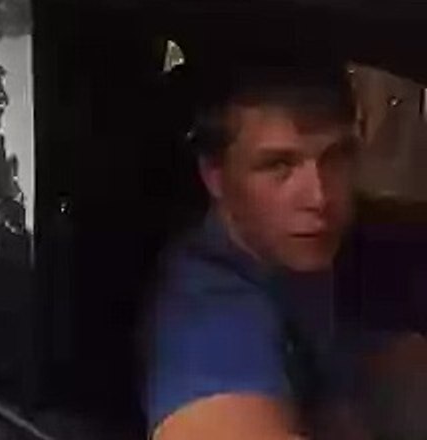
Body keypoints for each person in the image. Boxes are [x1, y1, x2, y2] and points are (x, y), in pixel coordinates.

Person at [145, 63, 427, 440]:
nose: (319, 197)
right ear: (215, 175)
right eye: (278, 165)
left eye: (336, 156)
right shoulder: (207, 311)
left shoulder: (305, 254)